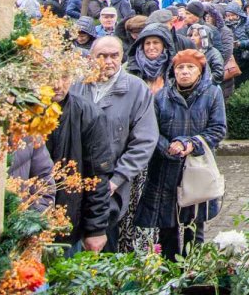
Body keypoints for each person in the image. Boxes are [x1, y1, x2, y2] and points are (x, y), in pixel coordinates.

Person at [137, 49, 227, 261]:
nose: (184, 72)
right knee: (166, 225)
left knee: (194, 224)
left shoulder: (212, 93)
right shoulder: (161, 97)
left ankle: (192, 270)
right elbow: (151, 129)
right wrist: (167, 147)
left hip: (197, 167)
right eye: (180, 67)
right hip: (165, 169)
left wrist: (189, 144)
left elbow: (217, 129)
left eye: (190, 67)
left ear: (200, 71)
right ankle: (168, 271)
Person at [72, 37, 159, 252]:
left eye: (114, 56)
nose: (108, 61)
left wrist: (117, 178)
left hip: (112, 182)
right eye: (102, 56)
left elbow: (144, 140)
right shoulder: (76, 85)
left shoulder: (136, 89)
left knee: (104, 242)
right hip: (74, 180)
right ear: (91, 57)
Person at [46, 77, 114, 253]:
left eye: (64, 77)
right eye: (50, 77)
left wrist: (96, 228)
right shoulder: (21, 112)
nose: (57, 84)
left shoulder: (88, 113)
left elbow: (98, 174)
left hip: (68, 224)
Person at [127, 24, 175, 94]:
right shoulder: (129, 68)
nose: (151, 47)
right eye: (147, 43)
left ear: (164, 45)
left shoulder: (174, 68)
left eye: (155, 43)